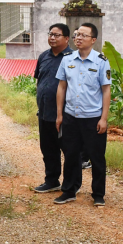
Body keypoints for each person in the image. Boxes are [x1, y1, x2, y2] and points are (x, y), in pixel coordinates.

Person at [54, 23, 111, 207]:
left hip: (93, 118)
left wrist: (104, 118)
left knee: (96, 157)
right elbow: (62, 87)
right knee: (70, 155)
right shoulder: (67, 59)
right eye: (77, 34)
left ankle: (98, 194)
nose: (78, 38)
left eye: (83, 35)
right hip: (71, 116)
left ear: (93, 40)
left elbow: (106, 91)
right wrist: (59, 115)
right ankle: (69, 191)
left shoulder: (101, 61)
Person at [33, 24, 73, 193]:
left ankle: (71, 184)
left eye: (57, 35)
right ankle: (51, 180)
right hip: (44, 112)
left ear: (66, 38)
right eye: (50, 34)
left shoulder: (73, 58)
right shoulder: (44, 56)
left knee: (69, 150)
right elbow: (39, 79)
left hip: (65, 113)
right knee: (48, 148)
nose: (52, 37)